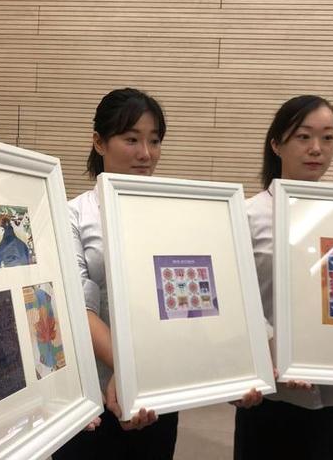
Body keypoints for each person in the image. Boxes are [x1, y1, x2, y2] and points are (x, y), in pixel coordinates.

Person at [54, 87, 262, 459]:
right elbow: (76, 309)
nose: (146, 153)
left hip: (160, 392)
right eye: (131, 139)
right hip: (91, 396)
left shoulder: (174, 215)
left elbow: (200, 304)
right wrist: (131, 372)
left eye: (154, 140)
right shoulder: (72, 215)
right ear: (99, 142)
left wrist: (230, 368)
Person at [235, 95, 333, 459]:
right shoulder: (247, 216)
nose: (316, 148)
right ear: (276, 144)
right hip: (271, 395)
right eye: (303, 137)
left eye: (328, 137)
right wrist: (275, 349)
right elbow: (235, 300)